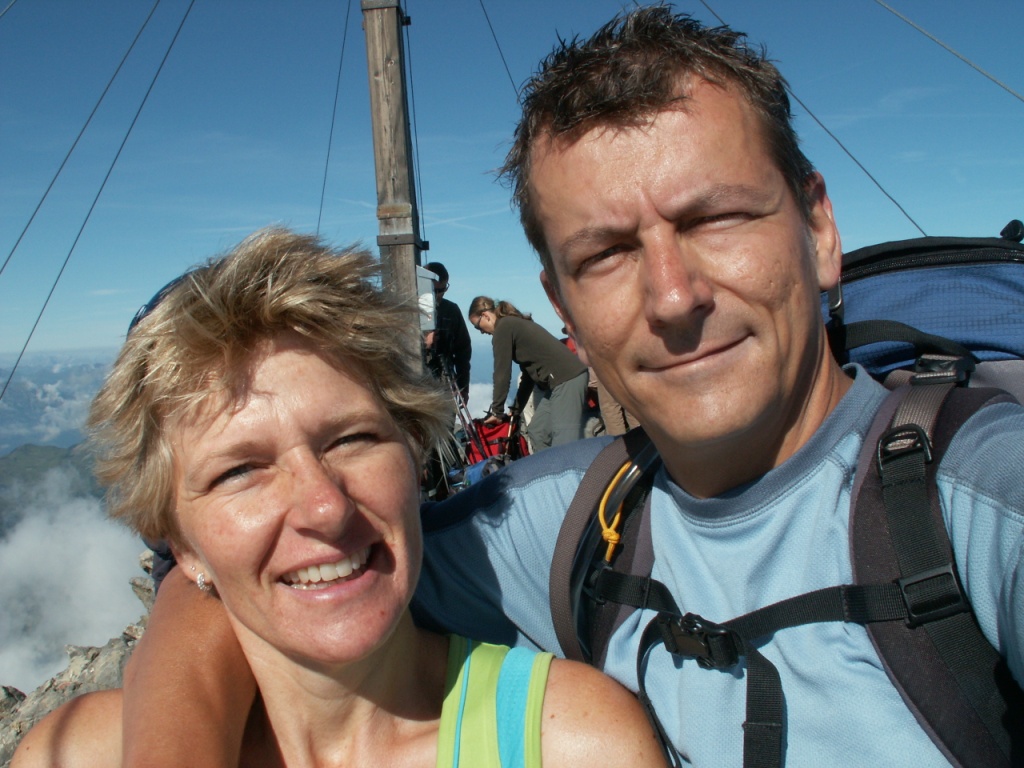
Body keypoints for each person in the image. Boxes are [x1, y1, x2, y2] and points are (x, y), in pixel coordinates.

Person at [98, 7, 1024, 768]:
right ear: (561, 303)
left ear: (819, 229)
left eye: (716, 217)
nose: (673, 296)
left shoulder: (980, 498)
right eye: (607, 253)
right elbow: (264, 567)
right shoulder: (563, 526)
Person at [11, 229, 663, 767]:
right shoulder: (74, 757)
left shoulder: (576, 744)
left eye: (352, 439)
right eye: (240, 471)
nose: (325, 507)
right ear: (181, 548)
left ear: (413, 454)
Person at [467, 296, 588, 450]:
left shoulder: (503, 328)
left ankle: (567, 465)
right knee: (538, 432)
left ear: (485, 316)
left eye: (477, 326)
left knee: (564, 441)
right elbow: (528, 376)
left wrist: (497, 412)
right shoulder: (511, 324)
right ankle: (549, 465)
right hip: (558, 382)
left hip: (567, 378)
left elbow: (502, 373)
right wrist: (516, 411)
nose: (481, 332)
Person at [422, 261, 472, 403]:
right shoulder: (409, 309)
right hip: (415, 381)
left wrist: (463, 386)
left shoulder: (451, 310)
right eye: (434, 290)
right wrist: (422, 344)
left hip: (445, 381)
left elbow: (463, 350)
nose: (438, 295)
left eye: (442, 290)